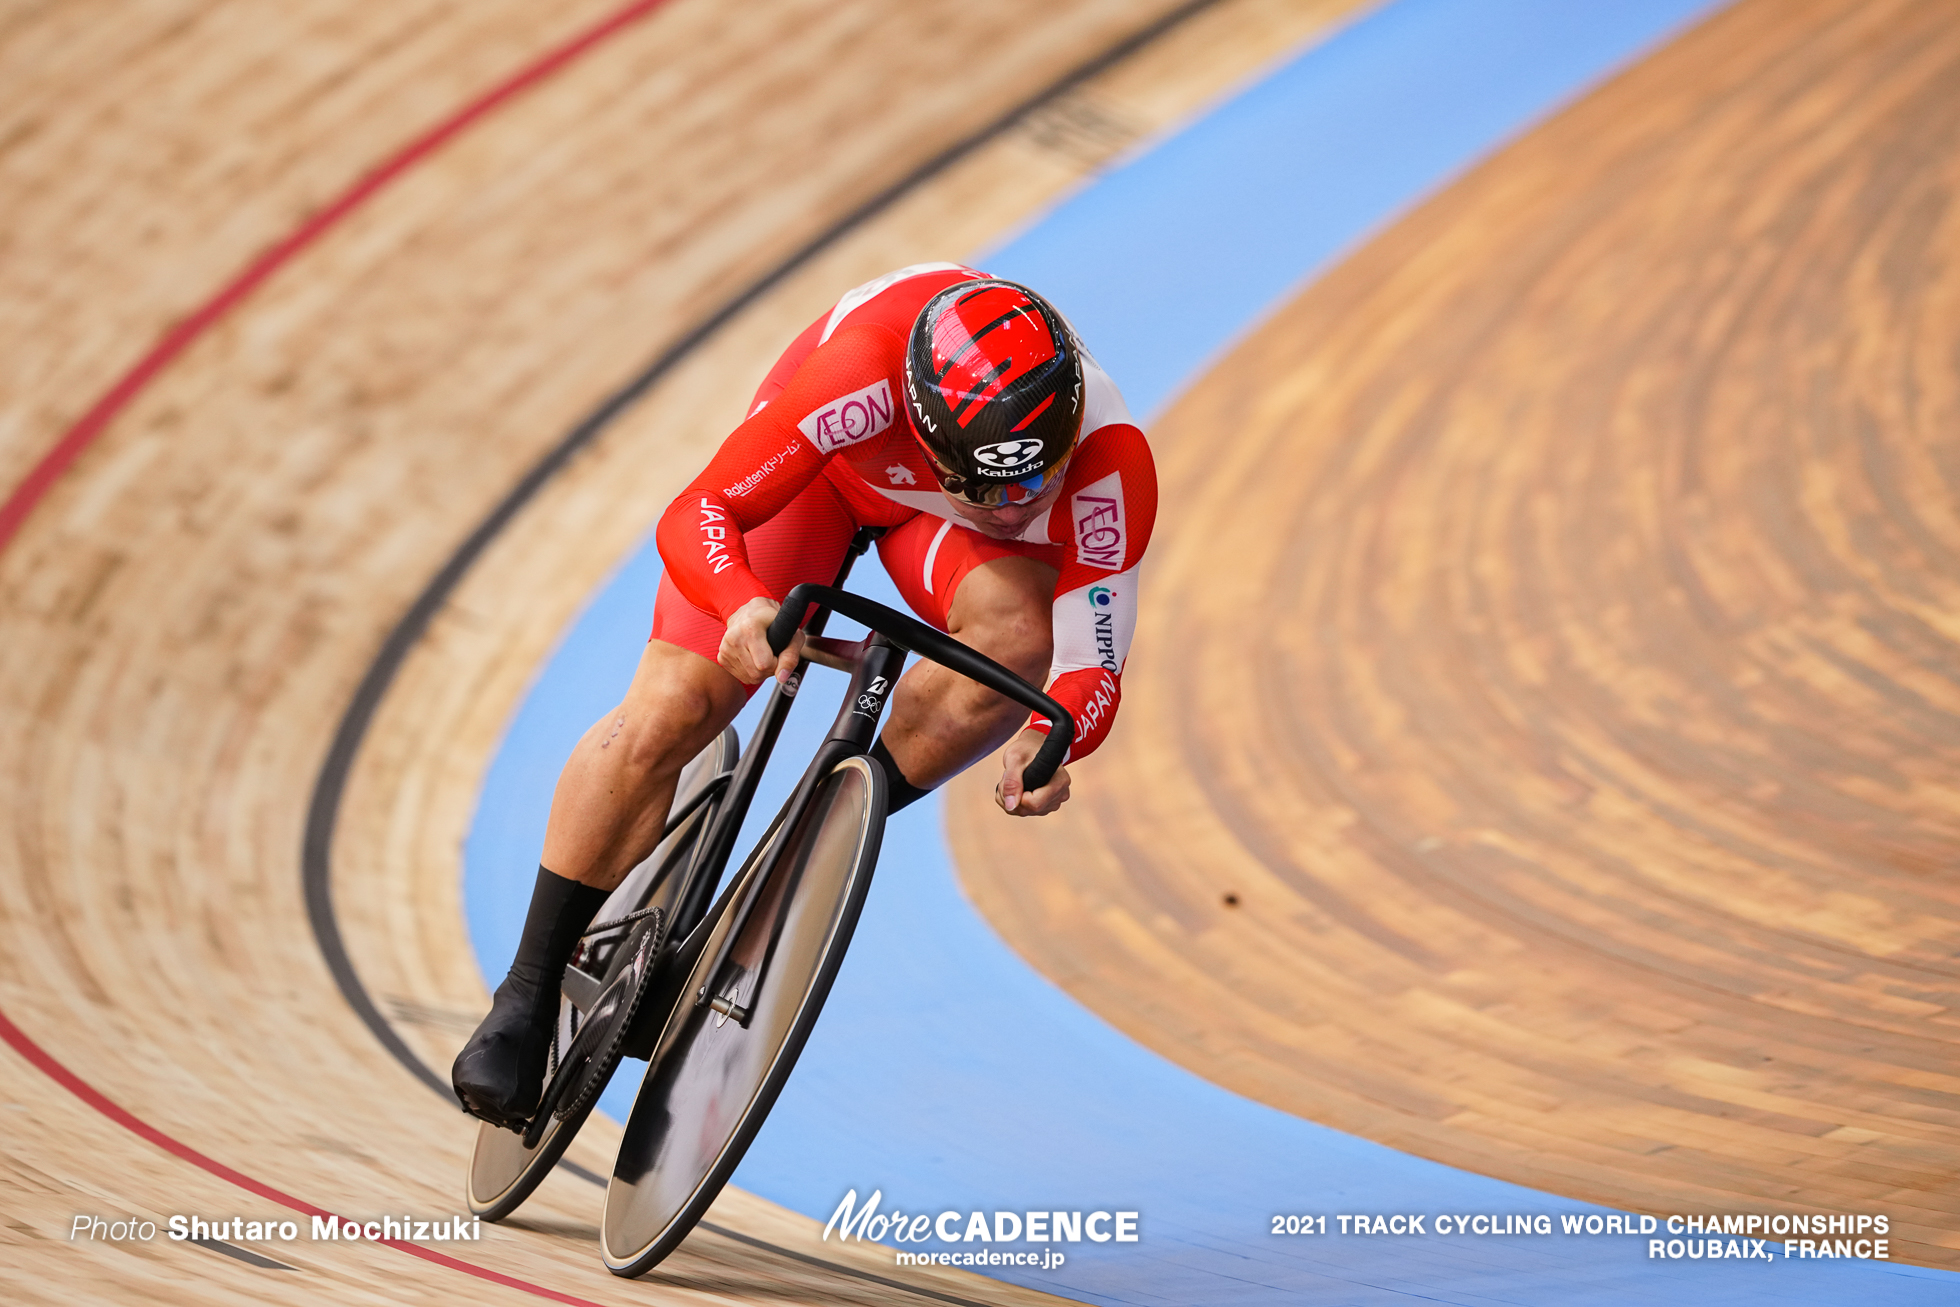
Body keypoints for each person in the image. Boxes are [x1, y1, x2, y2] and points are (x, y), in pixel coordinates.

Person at [453, 263, 1157, 1127]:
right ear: (925, 425)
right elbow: (701, 510)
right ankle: (525, 991)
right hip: (827, 474)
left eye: (1033, 483)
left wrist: (1056, 744)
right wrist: (740, 602)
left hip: (935, 523)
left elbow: (1094, 664)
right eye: (989, 485)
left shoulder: (1111, 456)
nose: (1013, 509)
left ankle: (809, 847)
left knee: (1018, 643)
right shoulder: (857, 376)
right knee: (676, 706)